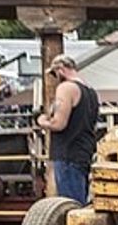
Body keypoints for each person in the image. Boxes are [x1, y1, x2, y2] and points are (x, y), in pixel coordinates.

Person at [35, 54, 99, 203]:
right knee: (81, 200)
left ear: (61, 70)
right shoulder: (91, 92)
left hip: (68, 153)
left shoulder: (66, 88)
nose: (54, 78)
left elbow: (59, 124)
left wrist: (42, 121)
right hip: (85, 151)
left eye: (54, 74)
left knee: (70, 205)